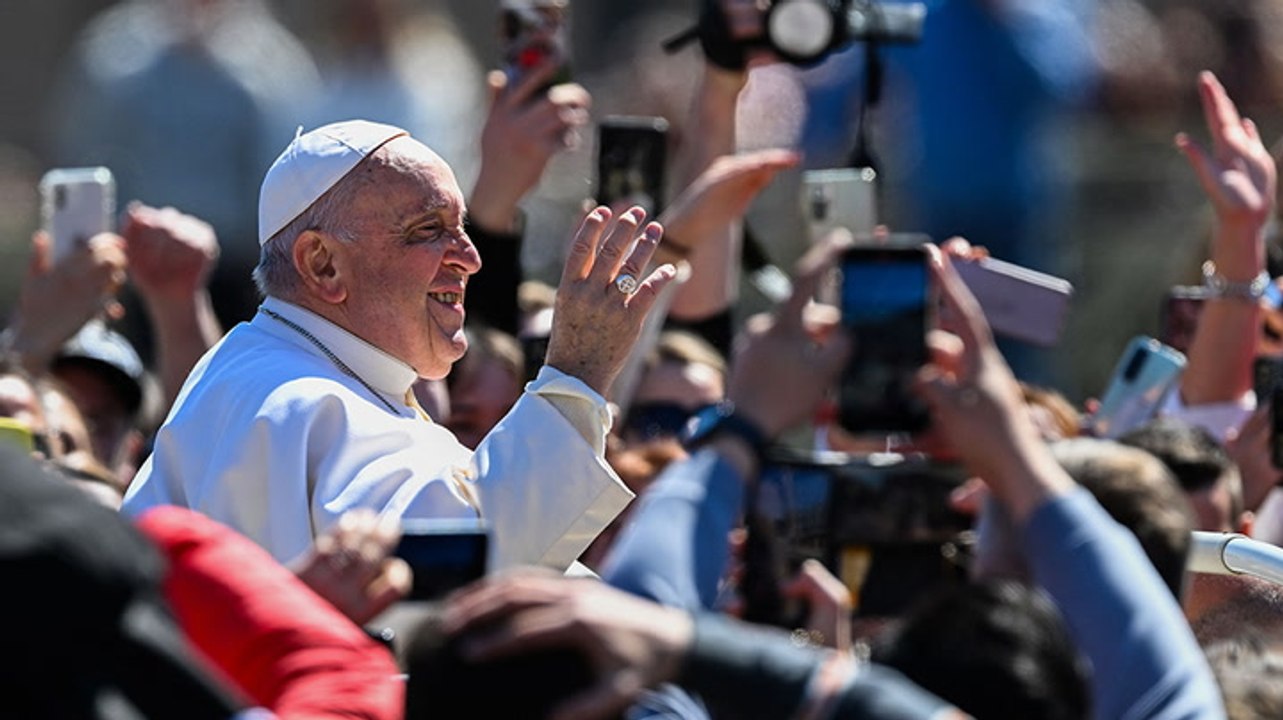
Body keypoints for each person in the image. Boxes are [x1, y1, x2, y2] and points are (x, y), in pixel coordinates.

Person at [123, 119, 677, 570]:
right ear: (323, 264)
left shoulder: (277, 370)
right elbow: (462, 564)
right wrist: (576, 373)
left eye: (461, 228)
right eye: (428, 230)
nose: (470, 258)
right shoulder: (304, 401)